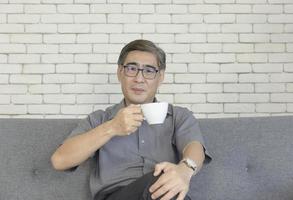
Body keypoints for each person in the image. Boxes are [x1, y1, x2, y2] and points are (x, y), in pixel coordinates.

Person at [51, 39, 211, 200]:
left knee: (166, 186)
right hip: (116, 196)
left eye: (149, 71)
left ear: (160, 77)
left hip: (166, 192)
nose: (139, 79)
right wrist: (112, 127)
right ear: (120, 73)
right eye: (132, 69)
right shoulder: (100, 119)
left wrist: (185, 170)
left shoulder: (178, 116)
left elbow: (194, 146)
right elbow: (59, 160)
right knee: (161, 185)